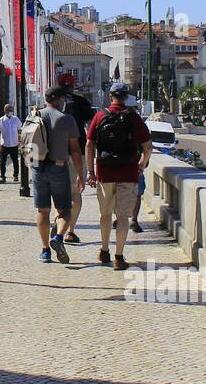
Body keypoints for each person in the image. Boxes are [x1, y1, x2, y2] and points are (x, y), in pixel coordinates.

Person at [85, 82, 152, 270]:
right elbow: (147, 147)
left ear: (110, 96)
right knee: (122, 217)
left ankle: (104, 250)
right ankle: (119, 257)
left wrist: (90, 171)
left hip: (105, 172)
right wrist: (141, 165)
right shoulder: (133, 117)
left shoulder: (99, 116)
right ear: (126, 97)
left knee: (105, 214)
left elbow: (89, 146)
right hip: (128, 172)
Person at [29, 87, 85, 263]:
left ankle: (45, 250)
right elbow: (75, 150)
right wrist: (81, 173)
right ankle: (58, 237)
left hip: (38, 167)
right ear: (60, 99)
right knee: (64, 210)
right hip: (58, 167)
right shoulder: (67, 119)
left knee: (43, 210)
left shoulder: (33, 116)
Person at [58, 89, 96, 244]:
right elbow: (90, 123)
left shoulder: (53, 103)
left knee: (59, 194)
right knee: (75, 193)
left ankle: (58, 224)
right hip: (77, 152)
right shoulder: (81, 102)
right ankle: (70, 231)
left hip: (57, 153)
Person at [0, 103, 21, 184]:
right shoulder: (1, 120)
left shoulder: (16, 119)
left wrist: (20, 140)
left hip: (14, 144)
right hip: (5, 144)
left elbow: (20, 128)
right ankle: (2, 176)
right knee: (3, 161)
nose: (11, 111)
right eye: (9, 110)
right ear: (5, 111)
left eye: (11, 110)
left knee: (15, 161)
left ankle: (15, 175)